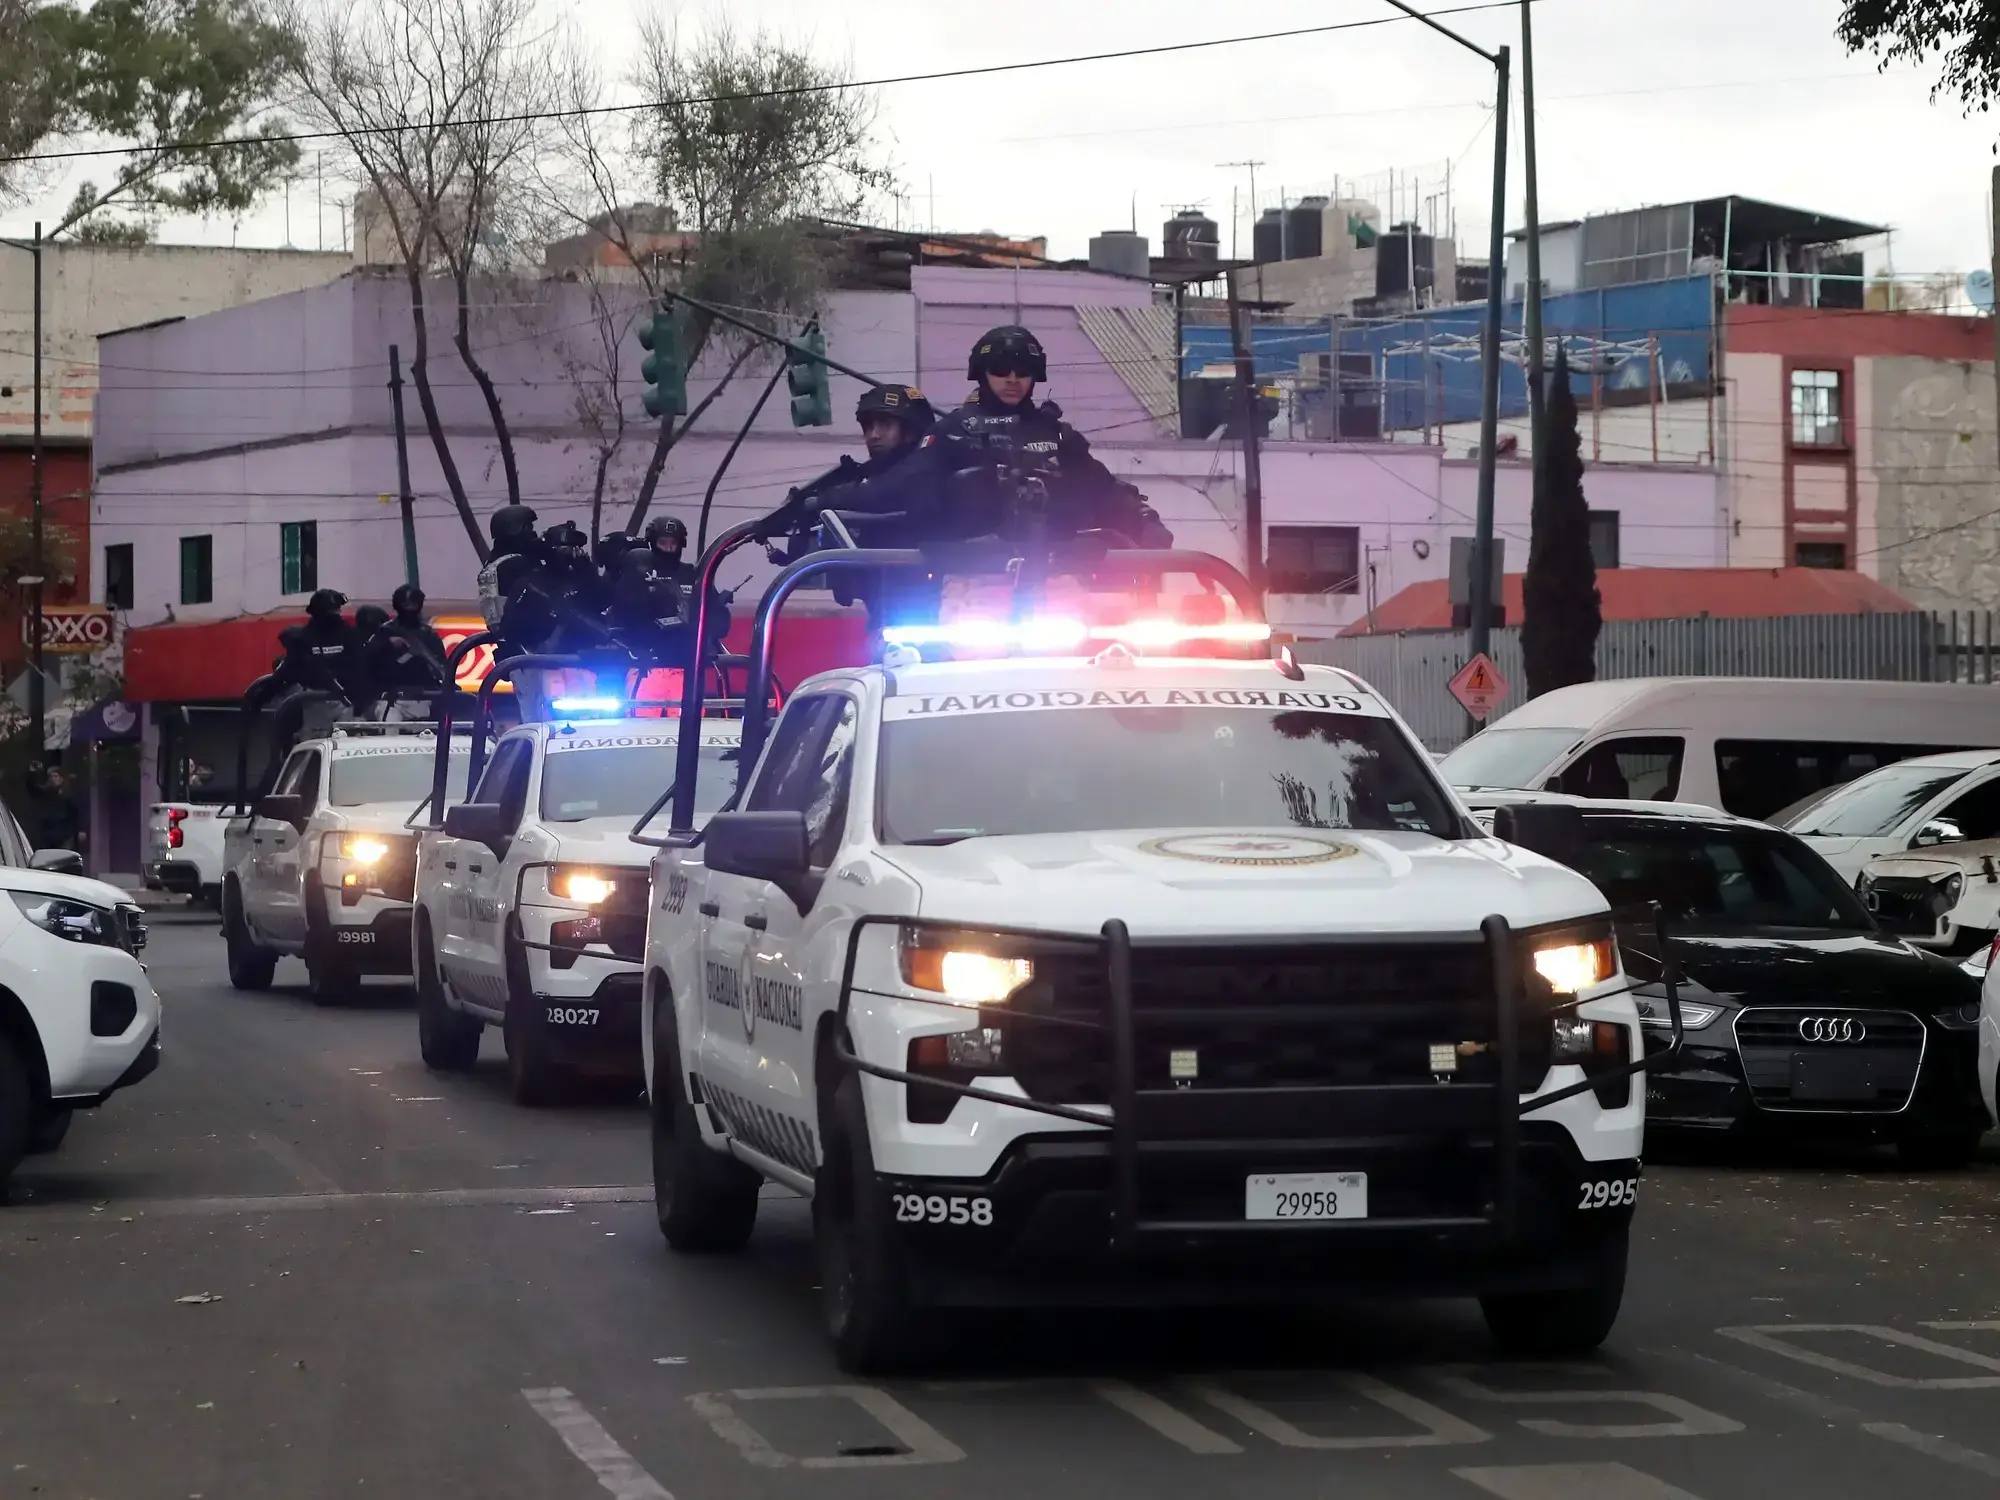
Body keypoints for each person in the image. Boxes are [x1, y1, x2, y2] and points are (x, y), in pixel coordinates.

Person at [810, 326, 1173, 550]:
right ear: (982, 373)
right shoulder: (954, 430)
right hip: (972, 584)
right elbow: (894, 487)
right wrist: (821, 502)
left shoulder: (1057, 434)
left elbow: (1103, 489)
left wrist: (1144, 520)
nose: (1012, 378)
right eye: (1001, 369)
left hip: (1060, 584)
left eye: (1023, 370)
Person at [365, 584, 448, 716]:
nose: (409, 608)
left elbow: (440, 665)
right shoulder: (385, 631)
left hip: (423, 698)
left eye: (413, 604)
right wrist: (388, 644)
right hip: (392, 698)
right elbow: (367, 659)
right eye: (405, 604)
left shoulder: (428, 634)